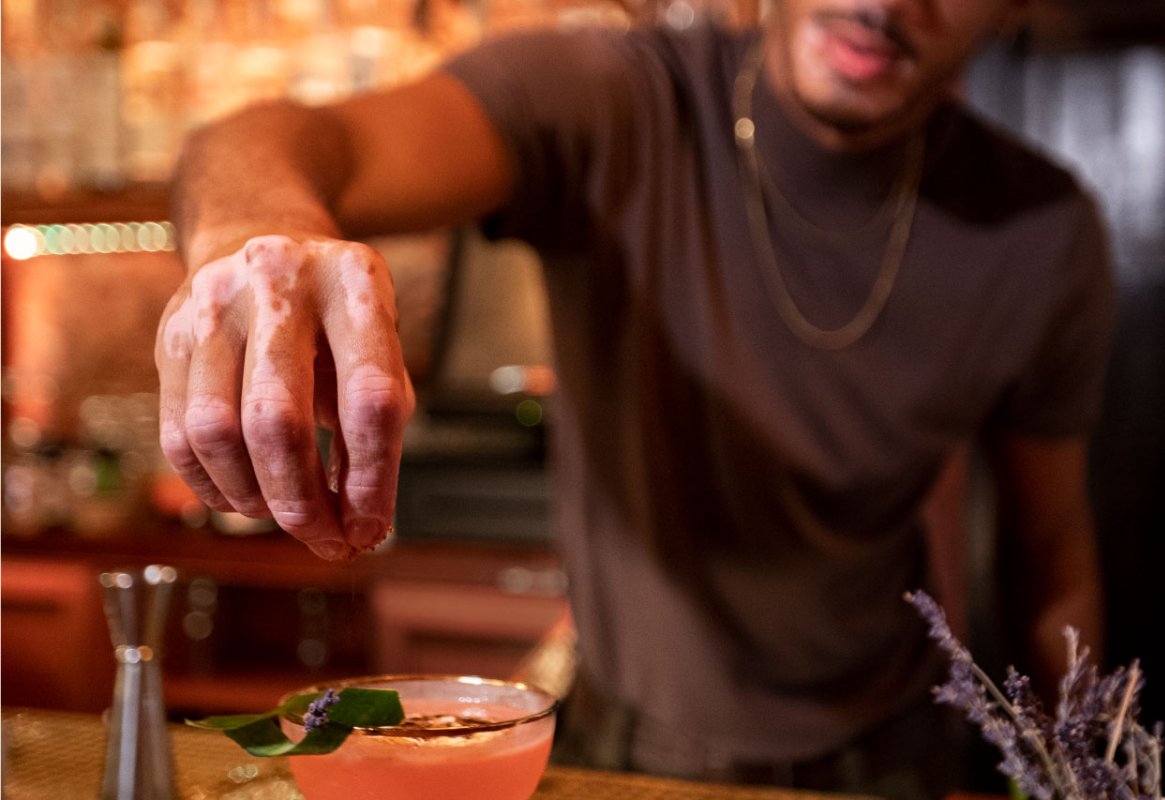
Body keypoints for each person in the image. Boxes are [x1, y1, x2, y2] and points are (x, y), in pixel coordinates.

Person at [157, 0, 1114, 797]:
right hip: (631, 752)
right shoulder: (619, 98)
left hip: (897, 758)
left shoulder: (1040, 230)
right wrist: (259, 237)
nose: (886, 3)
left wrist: (1072, 771)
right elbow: (279, 141)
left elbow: (1051, 554)